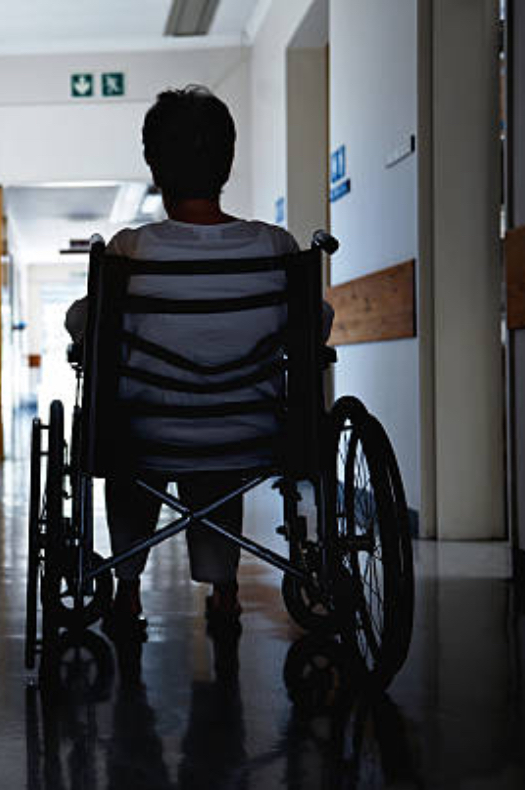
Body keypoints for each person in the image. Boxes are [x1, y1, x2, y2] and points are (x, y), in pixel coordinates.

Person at [65, 85, 328, 640]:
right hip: (250, 432)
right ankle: (224, 591)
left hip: (147, 434)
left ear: (155, 168)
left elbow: (83, 327)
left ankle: (127, 587)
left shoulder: (130, 250)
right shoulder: (275, 246)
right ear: (227, 164)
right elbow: (316, 329)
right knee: (216, 461)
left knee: (130, 442)